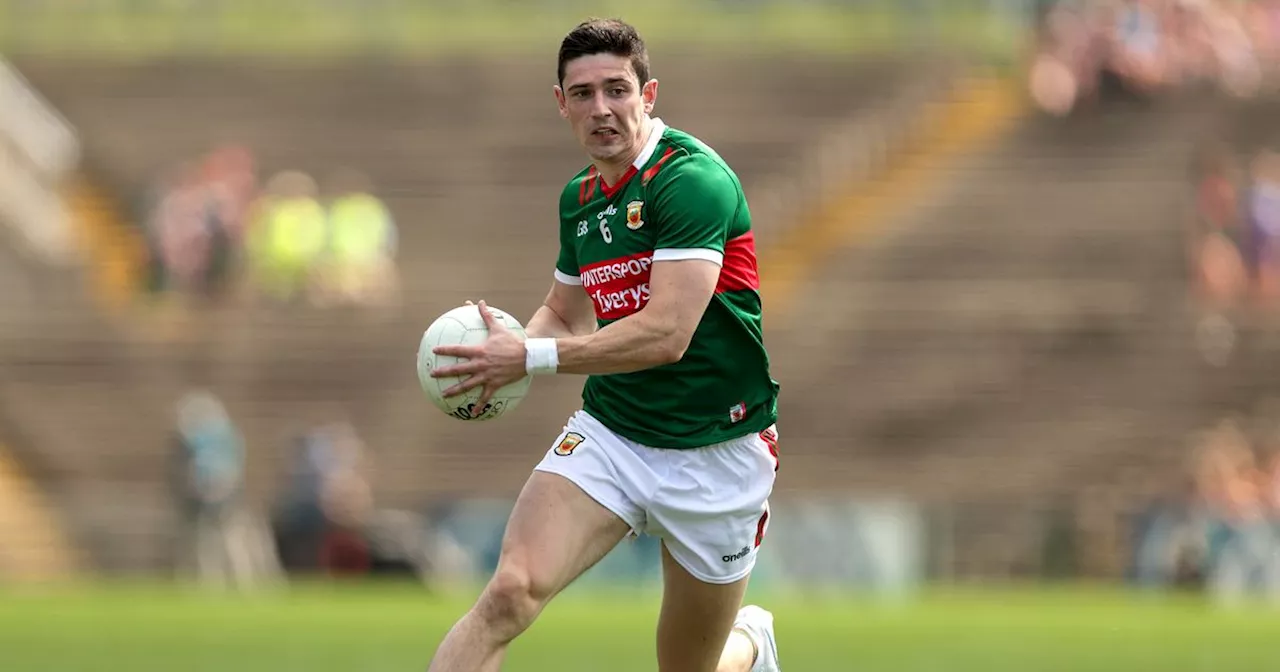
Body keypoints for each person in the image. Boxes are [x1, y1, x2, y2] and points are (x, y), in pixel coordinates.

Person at [425, 18, 782, 672]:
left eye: (617, 89)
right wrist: (503, 350)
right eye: (583, 94)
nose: (602, 109)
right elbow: (562, 314)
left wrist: (529, 357)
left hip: (719, 451)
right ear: (561, 103)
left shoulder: (691, 181)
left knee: (688, 668)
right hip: (614, 433)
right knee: (508, 594)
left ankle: (753, 646)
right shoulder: (581, 199)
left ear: (647, 94)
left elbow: (668, 334)